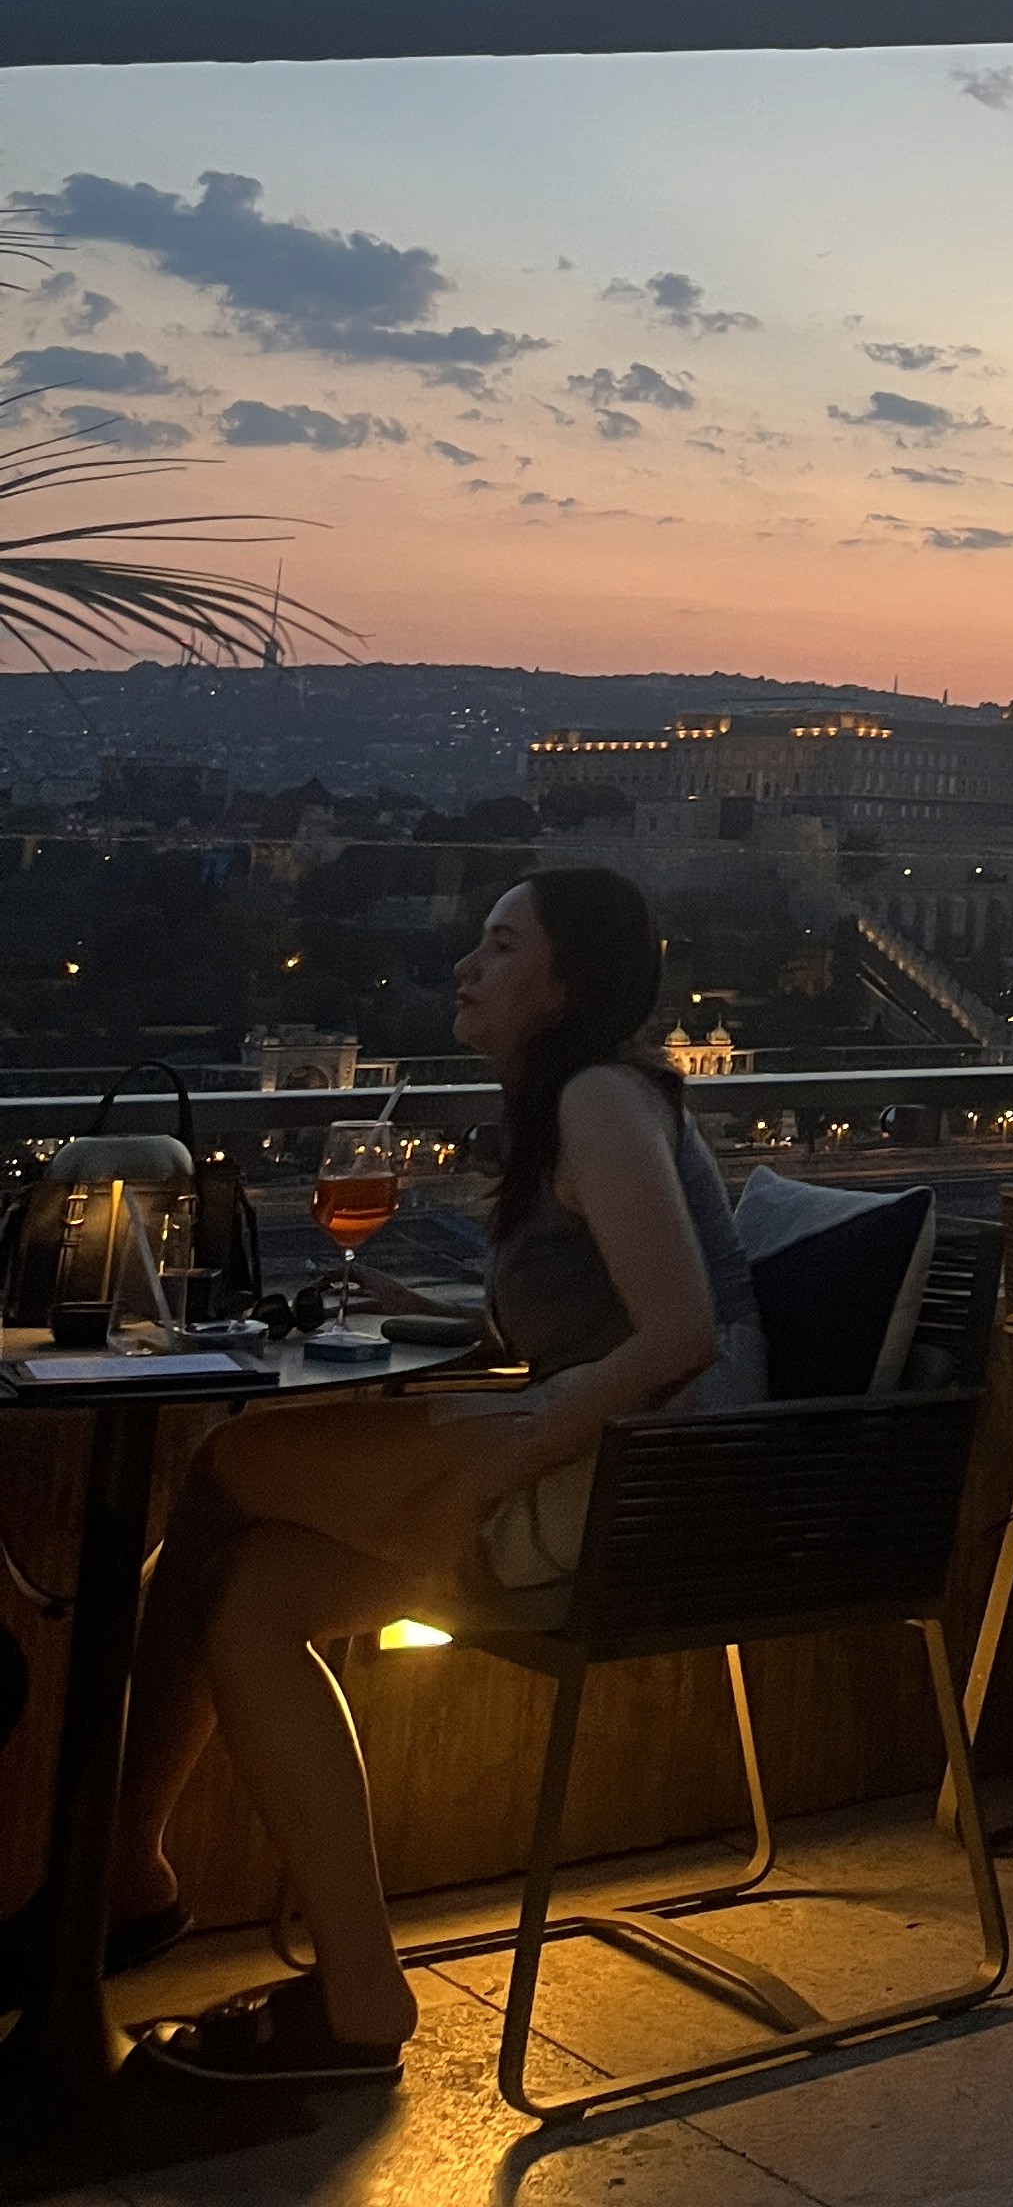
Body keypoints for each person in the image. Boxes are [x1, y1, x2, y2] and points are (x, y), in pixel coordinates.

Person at [54, 868, 765, 2090]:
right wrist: (433, 1319)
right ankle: (355, 1994)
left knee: (230, 1461)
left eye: (499, 946)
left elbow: (681, 1334)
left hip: (646, 1486)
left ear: (568, 984)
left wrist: (506, 1448)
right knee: (257, 1599)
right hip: (614, 1460)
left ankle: (116, 1875)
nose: (464, 969)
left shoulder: (598, 1094)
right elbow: (595, 1315)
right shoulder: (569, 1106)